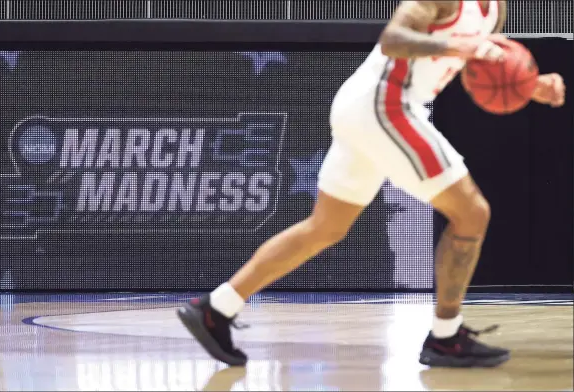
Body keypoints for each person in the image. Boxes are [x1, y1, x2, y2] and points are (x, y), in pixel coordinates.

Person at [177, 0, 566, 368]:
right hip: (386, 104)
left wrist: (529, 85)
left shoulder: (495, 10)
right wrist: (460, 43)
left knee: (324, 228)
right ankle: (445, 338)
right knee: (472, 213)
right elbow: (393, 39)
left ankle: (215, 308)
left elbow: (478, 68)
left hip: (371, 108)